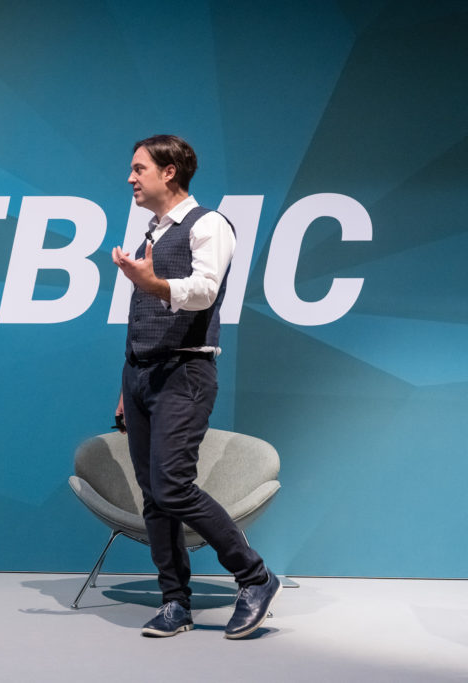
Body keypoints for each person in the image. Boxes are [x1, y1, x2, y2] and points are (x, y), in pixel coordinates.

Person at [112, 135, 279, 640]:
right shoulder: (153, 232)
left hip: (184, 372)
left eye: (139, 168)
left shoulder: (209, 224)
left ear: (169, 173)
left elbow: (204, 291)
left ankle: (255, 577)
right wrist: (127, 385)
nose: (130, 177)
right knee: (153, 495)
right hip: (141, 374)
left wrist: (153, 283)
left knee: (172, 486)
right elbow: (144, 317)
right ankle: (174, 603)